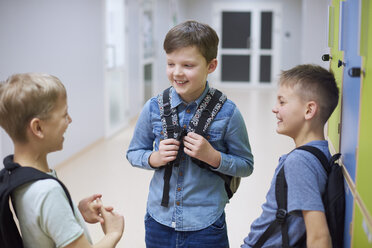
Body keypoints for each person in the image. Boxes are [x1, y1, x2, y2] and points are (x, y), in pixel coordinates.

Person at [126, 20, 254, 248]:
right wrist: (154, 158)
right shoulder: (153, 107)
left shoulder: (228, 112)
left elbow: (246, 164)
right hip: (158, 221)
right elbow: (134, 152)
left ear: (211, 66)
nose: (177, 73)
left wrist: (213, 157)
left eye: (188, 65)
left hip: (206, 225)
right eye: (170, 63)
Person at [0, 73, 124, 248]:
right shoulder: (47, 191)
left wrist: (75, 213)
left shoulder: (16, 173)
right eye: (64, 114)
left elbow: (41, 224)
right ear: (38, 128)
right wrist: (114, 233)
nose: (70, 120)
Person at [241, 64, 339, 248]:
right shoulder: (321, 152)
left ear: (309, 110)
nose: (274, 109)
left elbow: (318, 236)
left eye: (282, 102)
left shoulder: (299, 162)